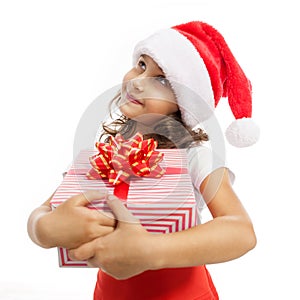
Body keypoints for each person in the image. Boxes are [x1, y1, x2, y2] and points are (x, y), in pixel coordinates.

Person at [27, 21, 259, 299]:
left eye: (161, 80)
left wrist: (150, 251)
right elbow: (44, 209)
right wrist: (43, 228)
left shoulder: (195, 156)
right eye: (140, 65)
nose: (138, 81)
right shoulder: (105, 152)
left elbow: (241, 232)